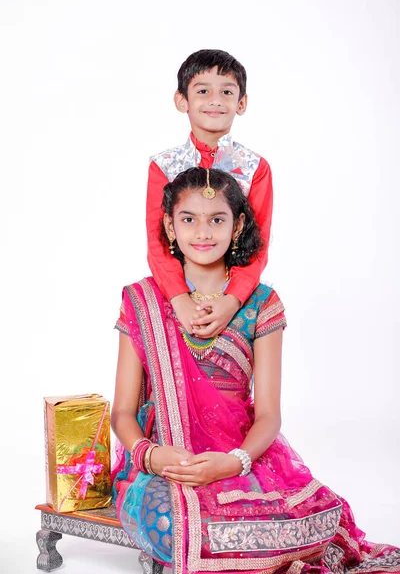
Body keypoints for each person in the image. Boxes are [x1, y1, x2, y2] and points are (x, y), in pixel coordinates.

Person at [112, 167, 400, 574]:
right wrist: (151, 456)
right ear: (169, 227)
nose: (203, 232)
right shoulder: (141, 300)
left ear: (239, 224)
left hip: (241, 452)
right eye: (188, 219)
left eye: (217, 219)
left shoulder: (261, 303)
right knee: (171, 524)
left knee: (319, 519)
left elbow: (268, 415)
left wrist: (234, 462)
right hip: (167, 459)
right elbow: (123, 410)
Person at [146, 49, 273, 339]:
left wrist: (232, 299)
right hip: (175, 298)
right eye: (203, 90)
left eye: (227, 91)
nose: (215, 100)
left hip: (234, 299)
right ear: (182, 100)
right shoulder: (163, 167)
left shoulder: (255, 168)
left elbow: (259, 243)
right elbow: (157, 241)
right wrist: (179, 299)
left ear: (241, 103)